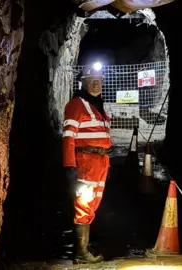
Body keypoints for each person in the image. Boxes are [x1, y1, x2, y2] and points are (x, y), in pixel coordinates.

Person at [62, 62, 112, 264]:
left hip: (100, 162)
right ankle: (81, 253)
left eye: (99, 81)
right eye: (91, 81)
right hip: (85, 162)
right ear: (82, 83)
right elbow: (68, 137)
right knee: (83, 204)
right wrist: (70, 166)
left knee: (93, 204)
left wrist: (107, 164)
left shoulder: (98, 107)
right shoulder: (76, 105)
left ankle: (84, 247)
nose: (95, 84)